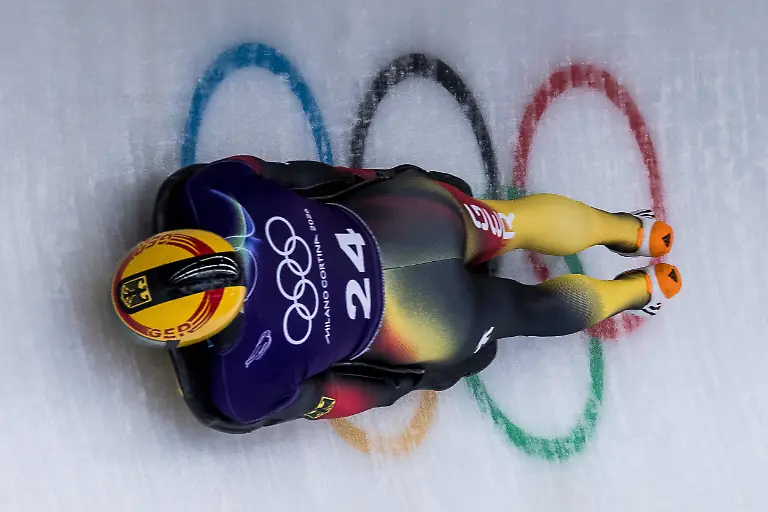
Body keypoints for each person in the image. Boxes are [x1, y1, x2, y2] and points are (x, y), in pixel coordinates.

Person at [110, 155, 681, 433]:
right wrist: (388, 180)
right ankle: (630, 229)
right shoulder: (212, 192)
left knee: (517, 310)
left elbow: (339, 395)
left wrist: (413, 381)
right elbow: (310, 176)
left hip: (424, 324)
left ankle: (636, 292)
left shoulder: (242, 383)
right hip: (412, 217)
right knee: (509, 222)